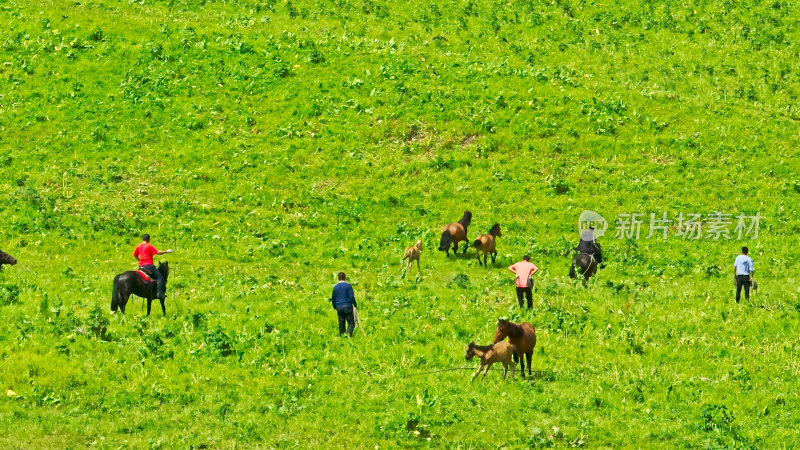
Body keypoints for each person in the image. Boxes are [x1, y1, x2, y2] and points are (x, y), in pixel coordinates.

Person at [134, 234, 173, 300]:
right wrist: (167, 251)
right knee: (160, 277)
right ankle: (160, 294)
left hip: (141, 266)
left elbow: (135, 255)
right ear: (148, 239)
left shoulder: (138, 246)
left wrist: (140, 260)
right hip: (149, 266)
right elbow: (157, 252)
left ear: (143, 239)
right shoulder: (148, 246)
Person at [331, 272, 357, 336]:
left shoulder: (335, 287)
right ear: (345, 278)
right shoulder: (348, 286)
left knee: (341, 322)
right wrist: (355, 304)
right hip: (347, 306)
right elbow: (351, 297)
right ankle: (348, 334)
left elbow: (333, 299)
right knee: (351, 323)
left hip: (339, 306)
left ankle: (342, 335)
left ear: (338, 278)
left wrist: (335, 306)